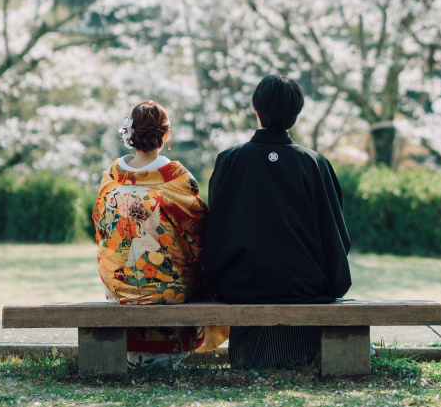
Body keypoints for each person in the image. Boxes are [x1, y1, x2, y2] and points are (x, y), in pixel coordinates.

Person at [203, 74, 352, 370]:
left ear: (255, 109)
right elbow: (336, 236)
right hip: (305, 287)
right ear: (296, 114)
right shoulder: (316, 164)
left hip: (241, 286)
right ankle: (301, 357)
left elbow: (215, 231)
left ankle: (249, 360)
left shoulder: (230, 160)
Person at [93, 100, 227, 366]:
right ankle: (172, 350)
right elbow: (200, 237)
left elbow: (101, 229)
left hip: (121, 290)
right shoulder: (177, 179)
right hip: (170, 293)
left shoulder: (111, 177)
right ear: (166, 136)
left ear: (129, 135)